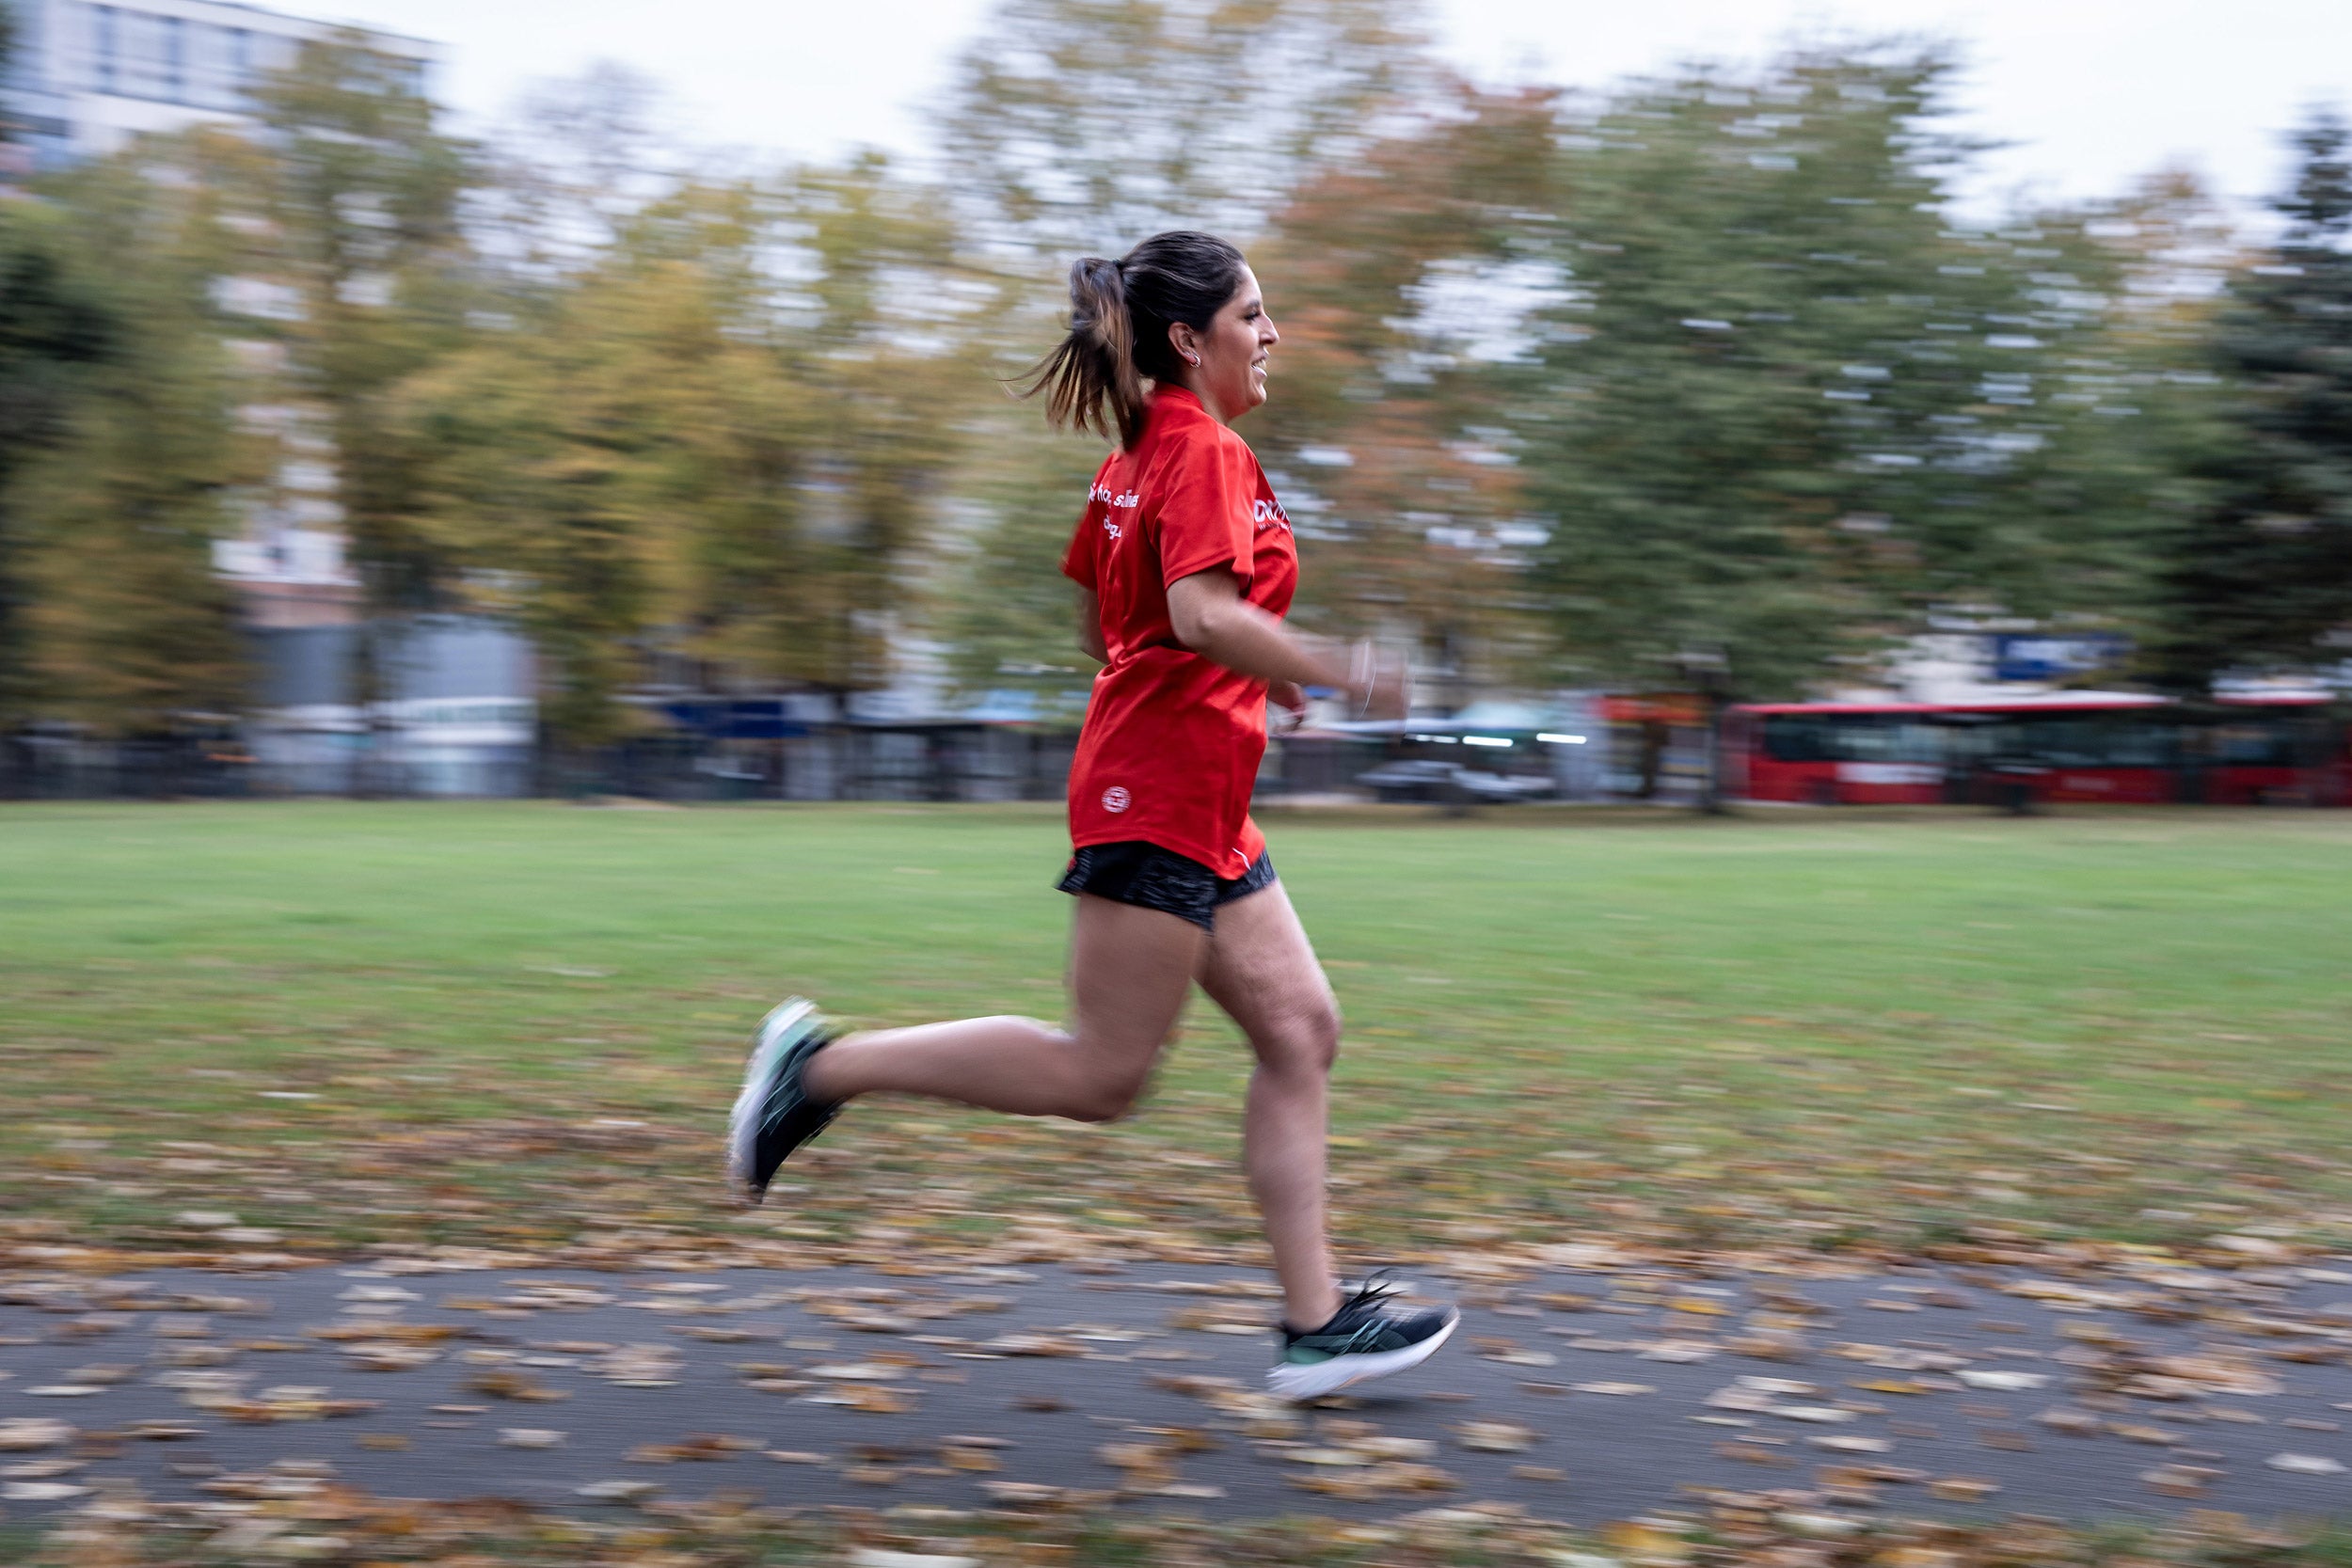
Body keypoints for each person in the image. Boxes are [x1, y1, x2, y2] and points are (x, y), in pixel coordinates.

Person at [727, 230, 1456, 1400]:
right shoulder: (1199, 450)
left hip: (1198, 791)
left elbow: (1117, 627)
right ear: (1189, 337)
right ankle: (819, 1068)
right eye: (1252, 315)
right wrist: (1329, 664)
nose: (1271, 335)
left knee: (1300, 1029)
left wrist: (1248, 679)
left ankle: (1317, 1321)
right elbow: (1196, 611)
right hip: (1158, 793)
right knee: (1100, 1073)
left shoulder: (1141, 457)